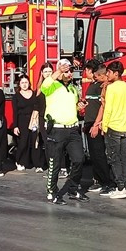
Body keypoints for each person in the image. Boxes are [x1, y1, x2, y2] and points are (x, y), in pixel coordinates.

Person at [41, 57, 85, 205]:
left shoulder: (73, 88)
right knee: (55, 163)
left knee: (79, 159)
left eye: (70, 71)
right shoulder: (51, 85)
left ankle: (73, 188)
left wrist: (80, 106)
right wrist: (59, 70)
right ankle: (52, 191)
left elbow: (75, 108)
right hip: (57, 130)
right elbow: (44, 86)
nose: (69, 73)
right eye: (66, 70)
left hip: (72, 129)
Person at [101, 61, 126, 199]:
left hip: (113, 127)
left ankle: (120, 187)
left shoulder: (112, 88)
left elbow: (108, 109)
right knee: (124, 158)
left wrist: (104, 126)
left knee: (114, 158)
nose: (107, 74)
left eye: (109, 72)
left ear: (116, 73)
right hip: (125, 127)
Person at [82, 60, 114, 194]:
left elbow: (103, 106)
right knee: (94, 156)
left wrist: (97, 124)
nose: (87, 73)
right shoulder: (92, 85)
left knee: (100, 155)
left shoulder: (103, 86)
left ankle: (109, 183)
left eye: (88, 71)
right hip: (89, 122)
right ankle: (99, 181)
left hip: (95, 124)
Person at [11, 74, 40, 171]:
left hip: (33, 120)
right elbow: (15, 112)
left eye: (26, 82)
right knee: (23, 143)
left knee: (35, 142)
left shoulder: (34, 93)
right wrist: (15, 126)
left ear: (29, 83)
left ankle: (37, 164)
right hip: (22, 121)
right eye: (22, 83)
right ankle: (20, 161)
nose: (24, 85)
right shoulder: (16, 96)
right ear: (19, 84)